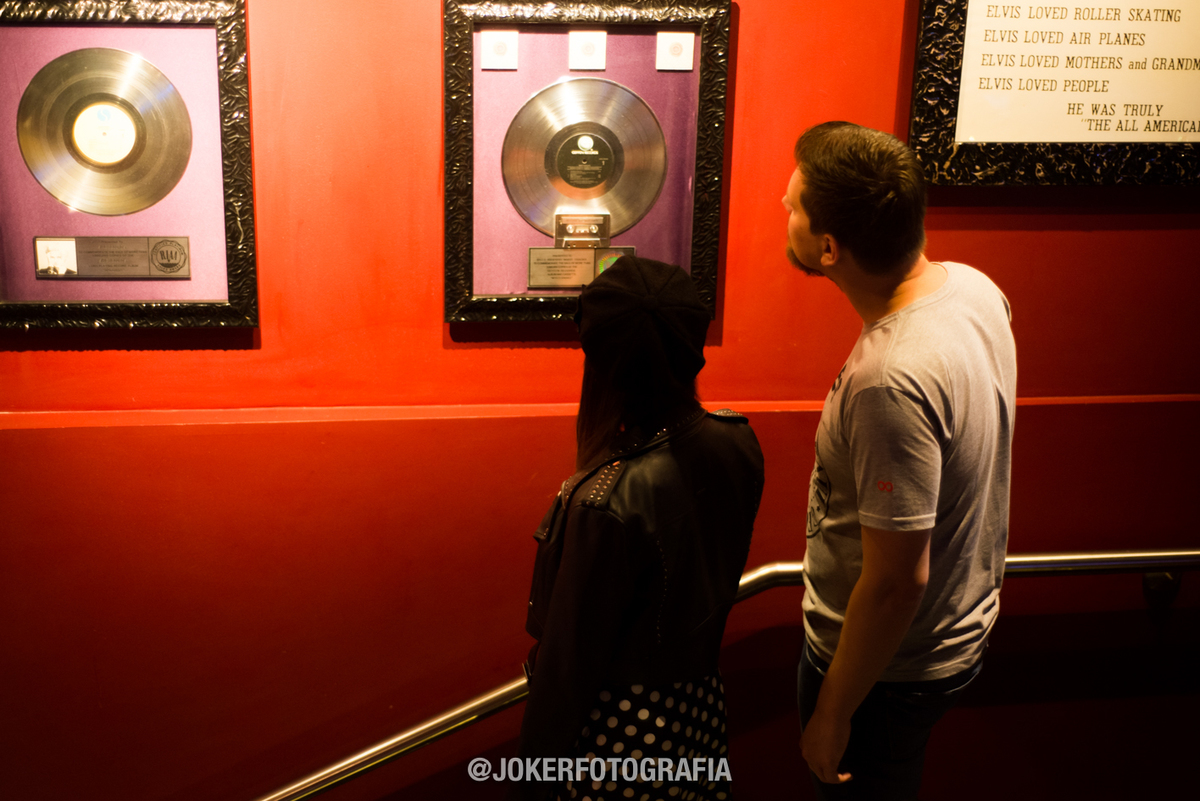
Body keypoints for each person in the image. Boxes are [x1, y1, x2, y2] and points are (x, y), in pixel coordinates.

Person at [782, 122, 1017, 799]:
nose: (784, 209)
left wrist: (833, 712)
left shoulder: (890, 379)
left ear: (828, 248)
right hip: (941, 638)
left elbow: (895, 582)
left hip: (884, 673)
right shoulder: (973, 288)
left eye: (794, 205)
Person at [518, 256, 765, 801]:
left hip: (616, 744)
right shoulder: (737, 442)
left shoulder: (603, 501)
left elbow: (566, 675)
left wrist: (526, 785)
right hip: (700, 717)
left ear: (601, 357)